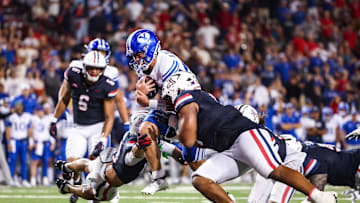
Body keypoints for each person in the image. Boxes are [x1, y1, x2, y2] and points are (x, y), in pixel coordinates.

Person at [161, 71, 337, 203]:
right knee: (201, 179)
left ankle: (320, 197)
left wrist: (171, 134)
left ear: (178, 89)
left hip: (245, 136)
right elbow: (187, 151)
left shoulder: (187, 99)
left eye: (167, 96)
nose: (166, 101)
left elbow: (188, 139)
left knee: (273, 170)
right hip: (232, 148)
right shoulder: (200, 111)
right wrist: (162, 142)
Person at [54, 110, 183, 201]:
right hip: (110, 177)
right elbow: (131, 158)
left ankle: (67, 166)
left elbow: (175, 152)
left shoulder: (132, 136)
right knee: (95, 194)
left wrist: (186, 155)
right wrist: (139, 147)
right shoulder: (138, 142)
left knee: (89, 165)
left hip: (108, 162)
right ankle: (67, 188)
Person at [125, 29, 194, 195]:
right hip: (170, 107)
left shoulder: (168, 65)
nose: (136, 60)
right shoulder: (147, 66)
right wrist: (143, 93)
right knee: (142, 128)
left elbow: (177, 104)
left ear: (150, 50)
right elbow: (163, 98)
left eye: (139, 55)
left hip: (188, 109)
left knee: (195, 166)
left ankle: (222, 194)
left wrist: (148, 102)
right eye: (133, 56)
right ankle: (159, 178)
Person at [49, 51, 118, 202]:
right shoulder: (74, 75)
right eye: (91, 67)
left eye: (98, 68)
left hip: (97, 127)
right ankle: (76, 181)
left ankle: (94, 194)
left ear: (103, 69)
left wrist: (103, 138)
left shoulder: (107, 85)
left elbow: (109, 117)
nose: (94, 71)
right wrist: (53, 119)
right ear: (85, 66)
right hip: (78, 126)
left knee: (96, 167)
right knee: (73, 160)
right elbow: (64, 98)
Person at [5, 101, 33, 187]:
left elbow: (29, 130)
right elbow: (8, 131)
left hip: (23, 141)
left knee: (24, 161)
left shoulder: (27, 116)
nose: (18, 107)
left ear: (23, 106)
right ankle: (12, 179)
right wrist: (9, 142)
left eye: (20, 105)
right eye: (17, 106)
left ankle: (24, 180)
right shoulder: (11, 117)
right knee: (13, 161)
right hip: (14, 141)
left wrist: (30, 141)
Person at [29, 105, 55, 186]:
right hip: (37, 143)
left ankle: (45, 179)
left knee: (46, 161)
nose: (40, 113)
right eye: (38, 111)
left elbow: (50, 131)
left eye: (41, 111)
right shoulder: (33, 119)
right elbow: (30, 131)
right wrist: (31, 142)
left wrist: (52, 142)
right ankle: (33, 180)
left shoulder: (48, 118)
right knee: (35, 162)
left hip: (46, 142)